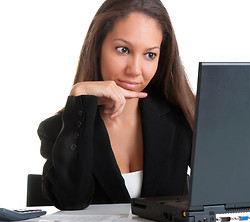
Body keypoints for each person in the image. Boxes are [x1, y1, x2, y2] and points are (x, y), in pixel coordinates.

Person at [38, 0, 196, 210]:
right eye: (123, 49)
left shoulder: (182, 120)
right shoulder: (59, 130)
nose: (135, 70)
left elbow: (227, 189)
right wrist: (80, 95)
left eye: (150, 55)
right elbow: (70, 202)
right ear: (97, 49)